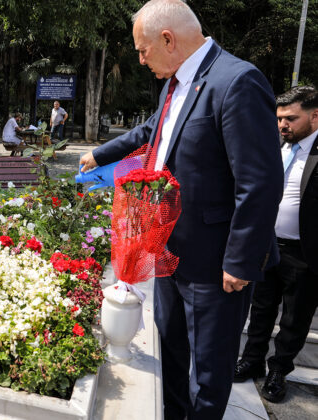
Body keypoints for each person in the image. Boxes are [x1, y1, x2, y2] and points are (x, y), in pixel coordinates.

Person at [79, 1, 283, 418]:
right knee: (171, 352)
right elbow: (151, 130)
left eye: (143, 50)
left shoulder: (236, 81)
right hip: (169, 253)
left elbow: (259, 182)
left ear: (168, 39)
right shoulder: (175, 83)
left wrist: (241, 261)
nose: (140, 59)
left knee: (209, 370)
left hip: (215, 264)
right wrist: (101, 155)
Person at [234, 86, 318, 402]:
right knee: (261, 310)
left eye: (291, 119)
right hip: (267, 246)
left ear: (315, 115)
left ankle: (278, 371)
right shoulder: (276, 146)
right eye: (280, 119)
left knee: (294, 320)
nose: (283, 125)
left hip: (305, 255)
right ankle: (251, 362)